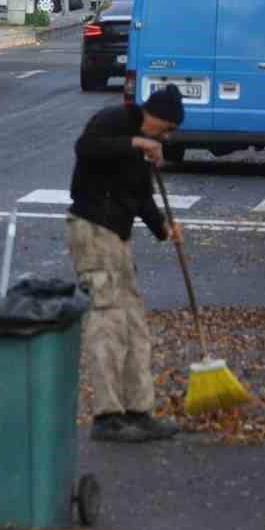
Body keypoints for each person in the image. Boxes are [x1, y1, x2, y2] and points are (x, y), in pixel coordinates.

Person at [68, 84, 187, 443]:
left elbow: (141, 197)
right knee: (107, 320)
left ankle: (139, 409)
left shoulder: (143, 150)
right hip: (92, 231)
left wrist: (164, 228)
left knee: (134, 322)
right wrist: (136, 143)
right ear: (152, 115)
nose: (164, 137)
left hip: (118, 238)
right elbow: (85, 147)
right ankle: (107, 415)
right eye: (164, 129)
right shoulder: (114, 120)